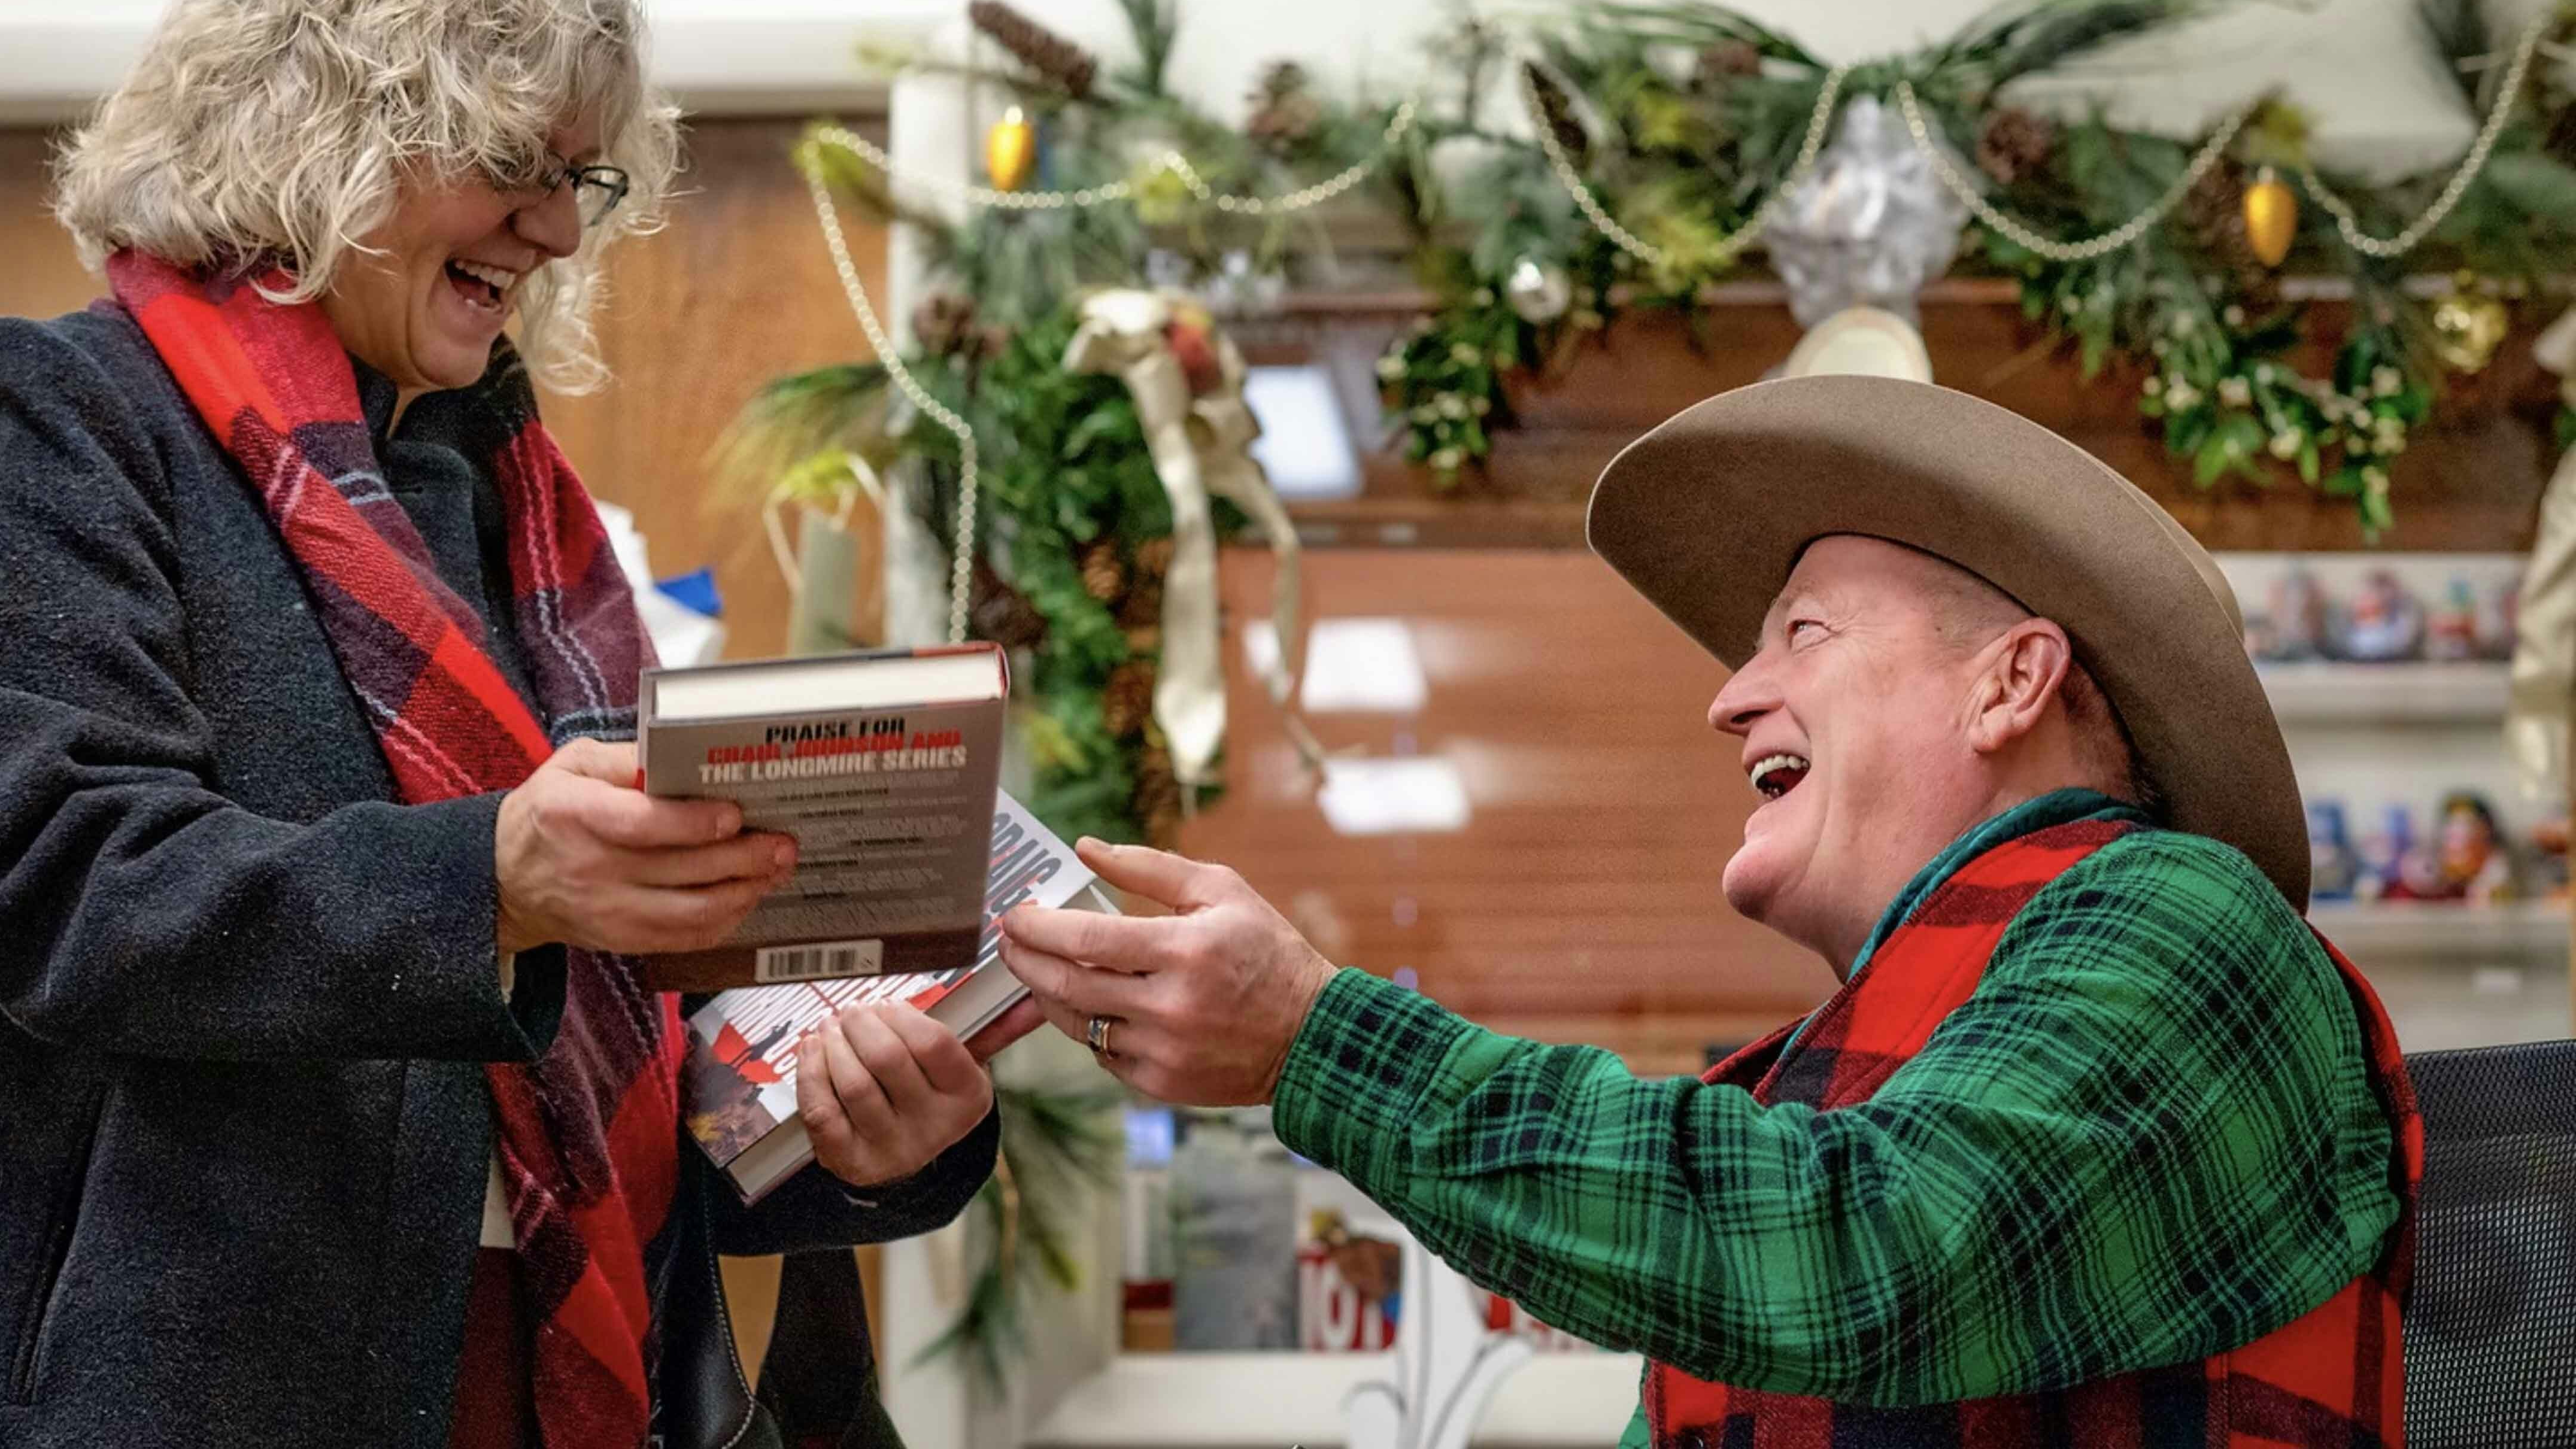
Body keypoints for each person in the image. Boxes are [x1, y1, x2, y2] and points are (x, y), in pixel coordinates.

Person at [0, 0, 1016, 1449]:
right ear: (313, 124)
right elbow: (67, 887)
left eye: (584, 180)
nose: (554, 234)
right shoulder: (46, 423)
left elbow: (598, 1077)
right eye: (515, 156)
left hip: (534, 1380)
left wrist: (856, 1134)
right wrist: (492, 879)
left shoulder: (522, 517)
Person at [1003, 376, 2419, 1445]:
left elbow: (1860, 1256)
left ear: (2011, 684)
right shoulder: (1873, 1056)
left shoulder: (2182, 921)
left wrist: (1315, 1039)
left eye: (1803, 632)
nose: (1728, 697)